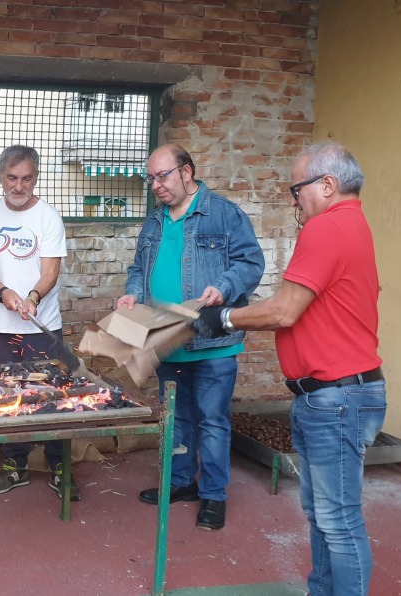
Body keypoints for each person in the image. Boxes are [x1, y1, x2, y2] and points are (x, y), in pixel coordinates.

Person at [193, 141, 385, 595]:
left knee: (338, 521)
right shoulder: (354, 224)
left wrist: (223, 318)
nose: (294, 200)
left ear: (327, 184)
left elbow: (284, 310)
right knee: (323, 515)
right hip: (333, 394)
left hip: (336, 398)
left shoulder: (327, 228)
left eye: (296, 189)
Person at [118, 144, 264, 531]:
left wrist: (224, 286)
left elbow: (251, 262)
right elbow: (138, 268)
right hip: (167, 339)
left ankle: (214, 496)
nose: (156, 185)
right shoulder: (154, 222)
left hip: (213, 342)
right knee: (178, 418)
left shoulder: (224, 213)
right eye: (150, 178)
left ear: (186, 172)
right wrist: (133, 293)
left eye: (162, 176)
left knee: (212, 420)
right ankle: (181, 482)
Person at [0, 145, 80, 501]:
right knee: (6, 396)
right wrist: (3, 292)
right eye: (12, 178)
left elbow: (51, 271)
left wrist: (32, 297)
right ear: (0, 176)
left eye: (27, 179)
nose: (19, 186)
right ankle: (14, 465)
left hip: (42, 326)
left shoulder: (48, 217)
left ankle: (59, 465)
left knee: (53, 395)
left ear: (36, 178)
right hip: (1, 328)